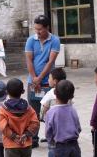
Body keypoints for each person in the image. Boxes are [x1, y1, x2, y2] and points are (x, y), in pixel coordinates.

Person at [25, 15, 60, 148]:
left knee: (50, 110)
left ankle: (52, 135)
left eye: (40, 29)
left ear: (47, 28)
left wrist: (39, 79)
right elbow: (29, 60)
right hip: (32, 82)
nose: (37, 32)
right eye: (36, 29)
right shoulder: (30, 40)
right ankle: (33, 139)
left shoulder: (55, 40)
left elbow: (50, 61)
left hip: (49, 82)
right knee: (33, 111)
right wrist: (34, 79)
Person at [0, 78, 39, 157]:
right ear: (23, 91)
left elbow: (3, 127)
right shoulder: (29, 108)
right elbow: (35, 123)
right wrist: (26, 135)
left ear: (6, 92)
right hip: (26, 143)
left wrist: (13, 136)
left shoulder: (3, 109)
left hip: (11, 145)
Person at [45, 80, 81, 157]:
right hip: (74, 145)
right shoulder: (73, 110)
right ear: (72, 96)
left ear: (55, 93)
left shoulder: (51, 112)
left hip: (60, 146)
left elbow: (48, 131)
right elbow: (78, 127)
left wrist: (51, 142)